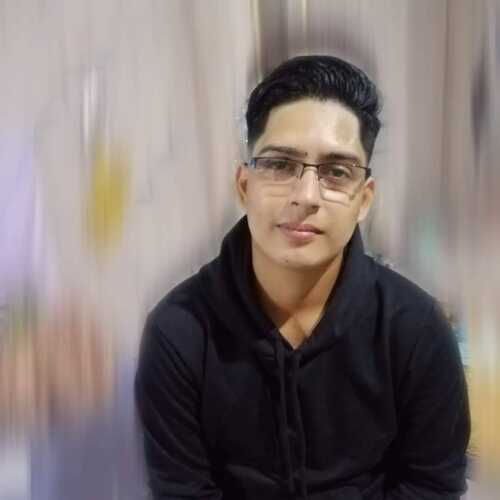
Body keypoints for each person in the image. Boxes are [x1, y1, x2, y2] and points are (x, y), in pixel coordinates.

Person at [134, 55, 471, 500]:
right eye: (280, 164)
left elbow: (431, 485)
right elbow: (182, 491)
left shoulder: (415, 329)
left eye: (337, 172)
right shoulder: (179, 332)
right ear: (244, 186)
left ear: (364, 200)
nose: (306, 196)